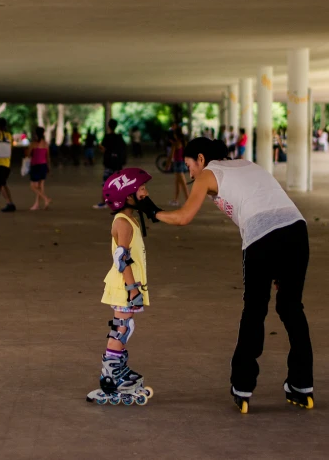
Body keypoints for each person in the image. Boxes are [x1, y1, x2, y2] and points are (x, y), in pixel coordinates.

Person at [134, 137, 314, 414]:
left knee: (255, 309)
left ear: (202, 159)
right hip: (296, 231)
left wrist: (151, 210)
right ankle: (302, 387)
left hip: (261, 236)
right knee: (291, 307)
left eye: (189, 165)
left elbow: (183, 217)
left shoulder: (208, 174)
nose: (190, 172)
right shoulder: (248, 164)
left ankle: (242, 387)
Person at [86, 168, 155, 405]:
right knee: (122, 327)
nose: (146, 192)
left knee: (125, 326)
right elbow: (121, 257)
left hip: (126, 284)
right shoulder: (123, 222)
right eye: (142, 189)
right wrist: (132, 288)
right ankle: (111, 375)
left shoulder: (129, 219)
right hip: (124, 285)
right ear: (127, 196)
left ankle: (118, 369)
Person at [93, 119, 127, 209]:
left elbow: (103, 148)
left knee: (106, 183)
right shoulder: (119, 137)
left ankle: (103, 202)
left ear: (108, 126)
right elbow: (124, 148)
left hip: (109, 163)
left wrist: (100, 146)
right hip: (118, 164)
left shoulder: (107, 137)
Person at [27, 126, 51, 210]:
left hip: (35, 166)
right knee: (41, 186)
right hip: (43, 165)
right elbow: (47, 156)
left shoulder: (33, 144)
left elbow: (28, 154)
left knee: (33, 186)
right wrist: (48, 166)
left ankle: (46, 199)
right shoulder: (45, 144)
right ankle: (37, 204)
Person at [165, 128, 189, 206]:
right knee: (178, 183)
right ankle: (176, 200)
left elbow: (171, 155)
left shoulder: (175, 143)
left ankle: (188, 200)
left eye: (175, 134)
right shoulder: (183, 142)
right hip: (182, 163)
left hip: (178, 164)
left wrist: (167, 164)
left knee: (182, 183)